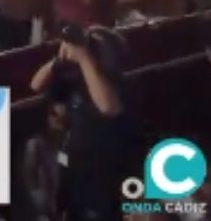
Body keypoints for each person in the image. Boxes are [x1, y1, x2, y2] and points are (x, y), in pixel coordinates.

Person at [29, 27, 133, 221]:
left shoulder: (116, 83)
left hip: (103, 173)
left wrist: (85, 58)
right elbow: (36, 84)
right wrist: (59, 59)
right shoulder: (78, 78)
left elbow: (108, 106)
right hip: (75, 166)